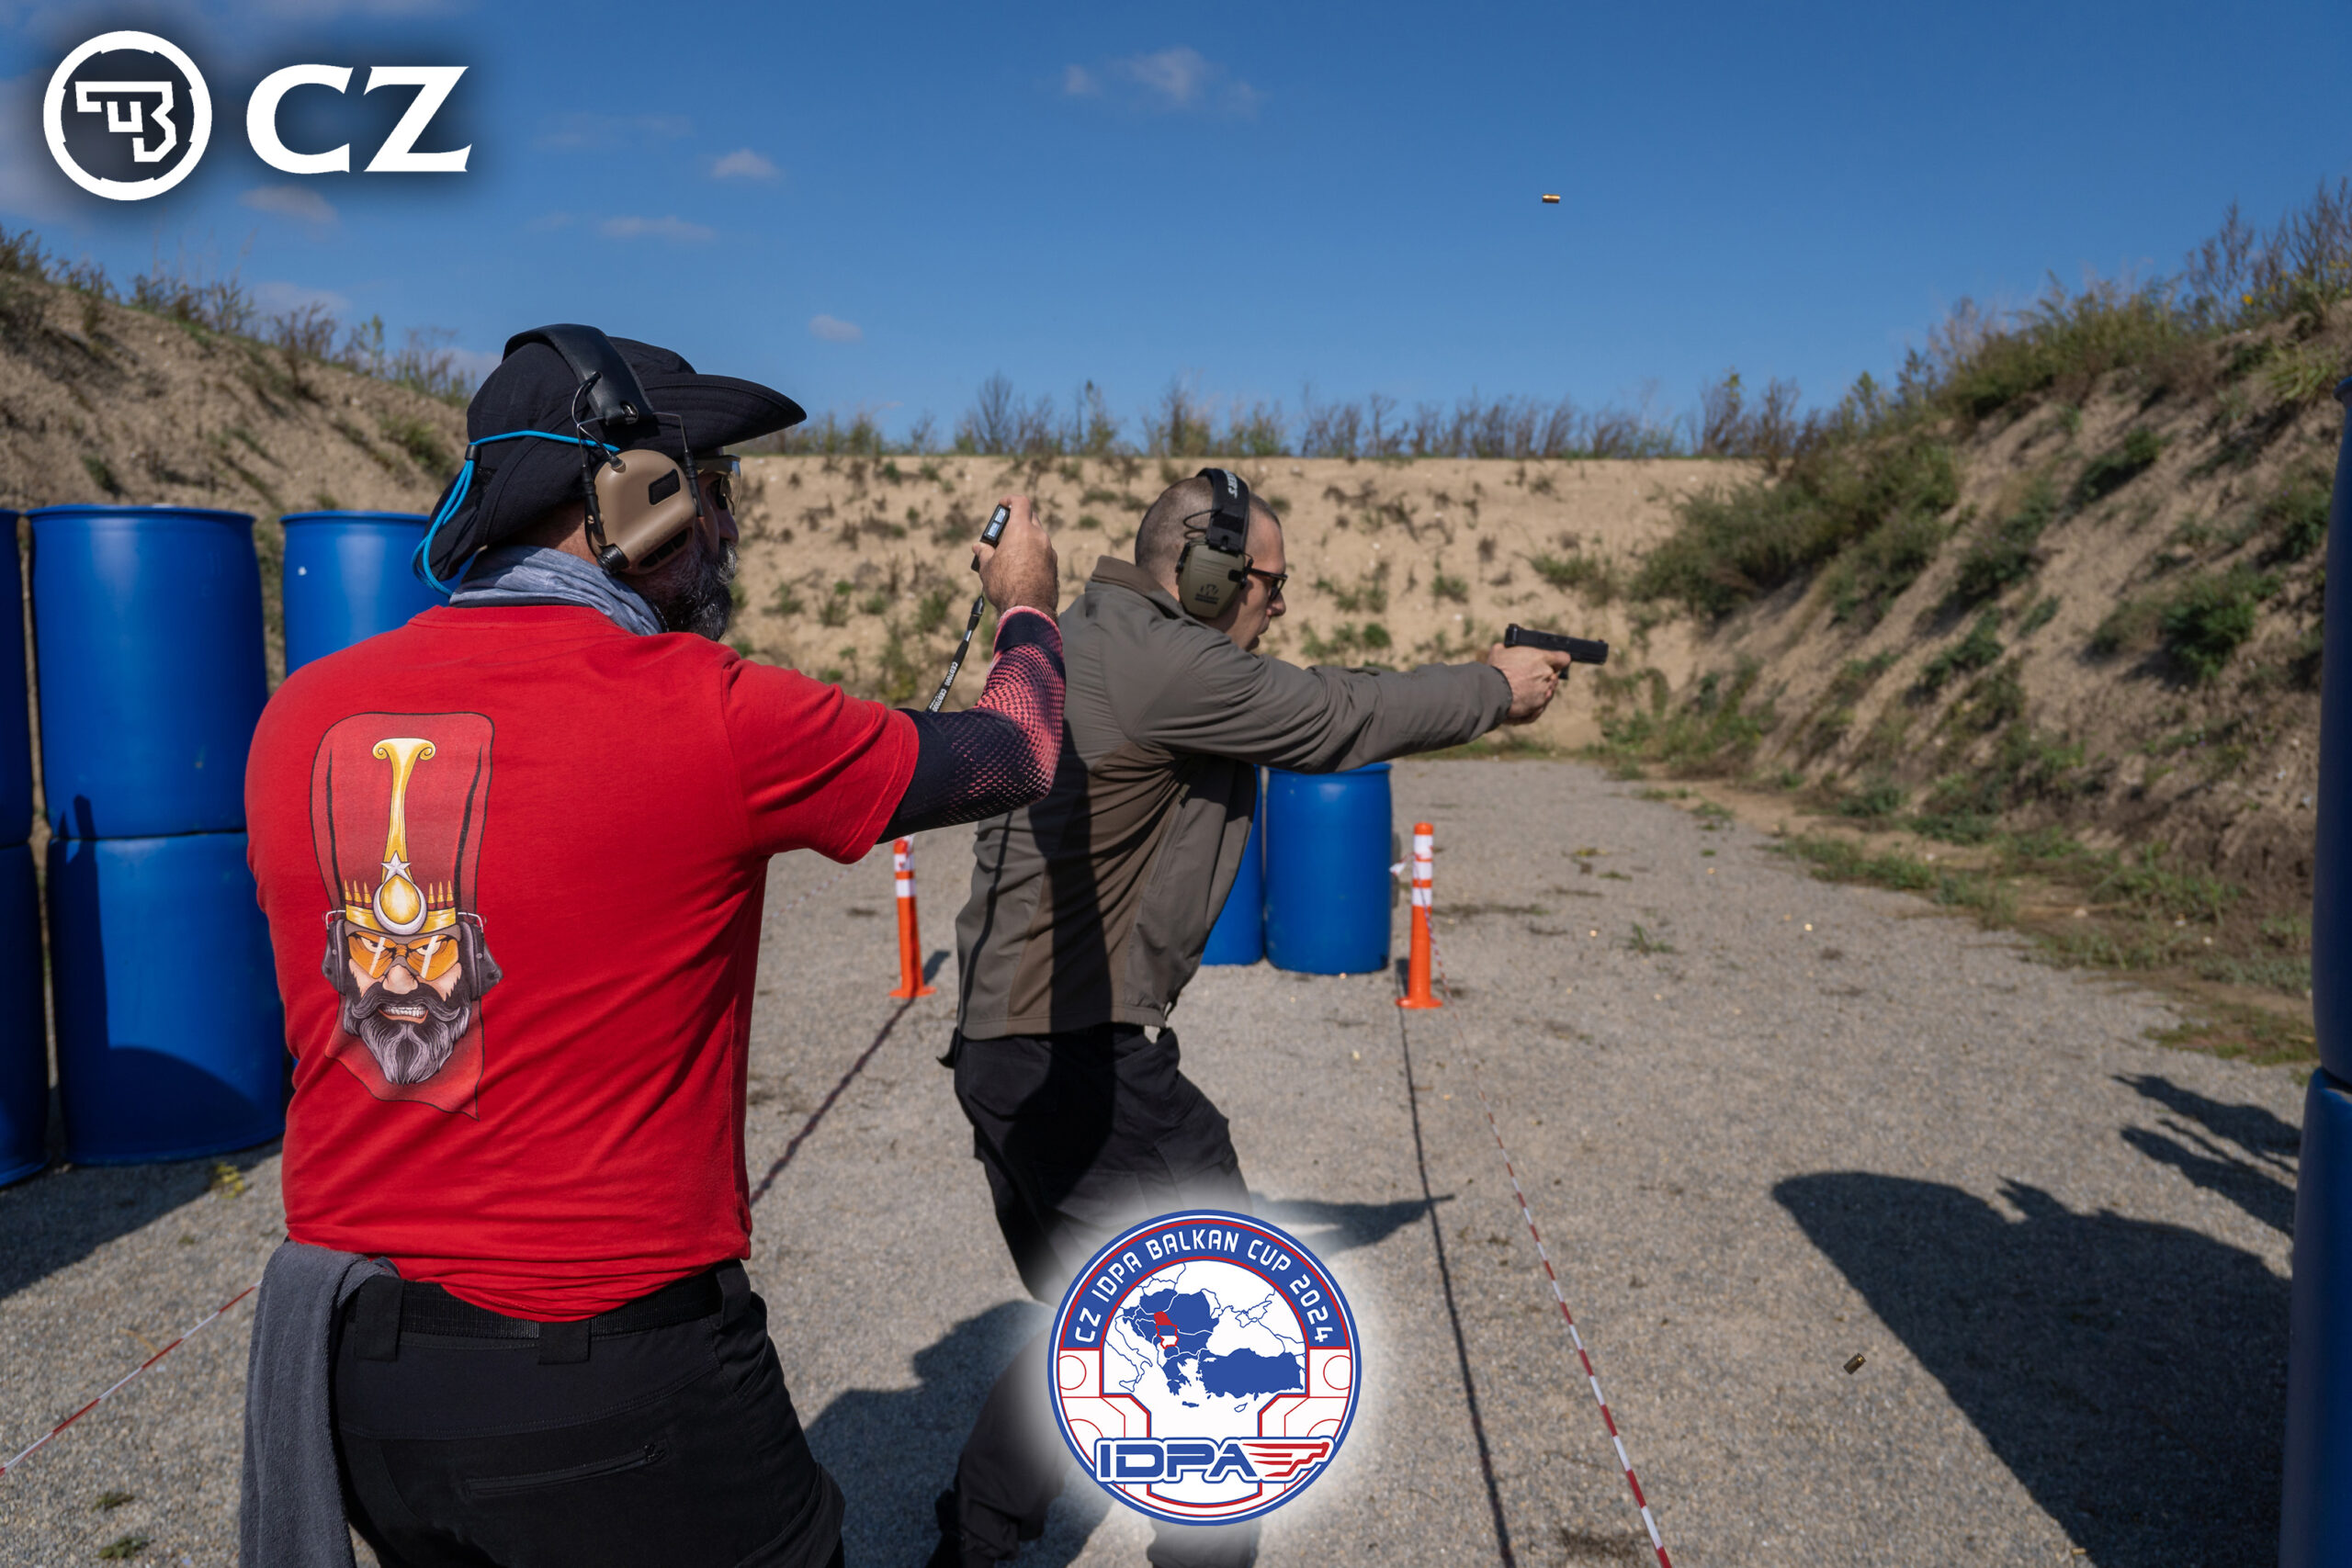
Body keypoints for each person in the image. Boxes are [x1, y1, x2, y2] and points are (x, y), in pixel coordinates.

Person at [239, 325, 1065, 1568]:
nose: (725, 525)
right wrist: (1027, 605)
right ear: (636, 496)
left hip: (357, 1383)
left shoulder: (298, 714)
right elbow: (1017, 749)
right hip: (609, 1380)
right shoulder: (708, 710)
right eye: (711, 489)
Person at [933, 468, 1573, 1568]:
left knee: (1114, 1320)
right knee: (1230, 1315)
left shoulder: (1100, 636)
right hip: (1074, 1050)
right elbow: (1335, 715)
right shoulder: (1160, 659)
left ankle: (976, 1534)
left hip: (1013, 1049)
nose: (1278, 605)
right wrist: (1489, 689)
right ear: (1207, 573)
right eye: (1270, 583)